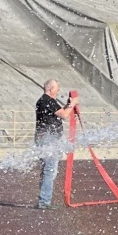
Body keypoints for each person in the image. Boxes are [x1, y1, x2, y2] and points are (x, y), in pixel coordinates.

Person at [34, 79, 74, 208]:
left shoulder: (43, 101)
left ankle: (44, 199)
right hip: (48, 139)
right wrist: (73, 104)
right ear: (50, 89)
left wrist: (68, 105)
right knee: (49, 170)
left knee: (48, 169)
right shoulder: (48, 100)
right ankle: (44, 201)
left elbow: (59, 112)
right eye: (57, 88)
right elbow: (64, 115)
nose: (59, 90)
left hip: (45, 138)